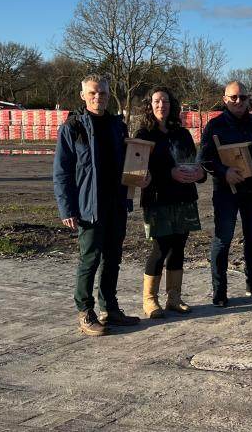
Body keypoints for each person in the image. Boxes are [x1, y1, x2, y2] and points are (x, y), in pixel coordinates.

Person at [54, 74, 144, 336]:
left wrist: (138, 180)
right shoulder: (73, 128)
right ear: (83, 95)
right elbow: (62, 172)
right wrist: (66, 208)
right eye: (93, 93)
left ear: (108, 94)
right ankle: (85, 312)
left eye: (102, 93)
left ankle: (110, 309)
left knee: (113, 258)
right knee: (90, 258)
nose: (98, 97)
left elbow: (129, 162)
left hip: (116, 203)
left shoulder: (118, 126)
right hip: (88, 205)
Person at [198, 81, 252, 307]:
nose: (238, 101)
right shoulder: (215, 126)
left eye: (242, 97)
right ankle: (219, 290)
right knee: (223, 240)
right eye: (233, 97)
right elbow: (204, 158)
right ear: (225, 98)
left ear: (248, 99)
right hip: (226, 191)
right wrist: (224, 172)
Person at [134, 87, 206, 318]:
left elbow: (193, 162)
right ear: (149, 105)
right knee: (160, 247)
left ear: (171, 105)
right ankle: (150, 300)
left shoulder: (182, 134)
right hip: (157, 199)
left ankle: (174, 297)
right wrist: (169, 174)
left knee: (178, 247)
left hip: (184, 198)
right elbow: (140, 169)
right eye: (156, 101)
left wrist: (199, 173)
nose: (161, 105)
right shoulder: (144, 135)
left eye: (165, 101)